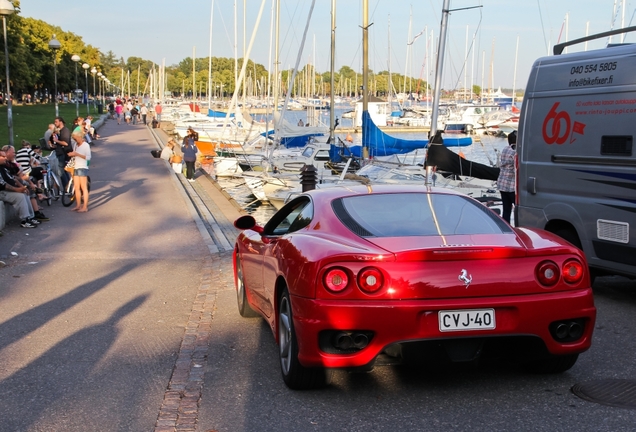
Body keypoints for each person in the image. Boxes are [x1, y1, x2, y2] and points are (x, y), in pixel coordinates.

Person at [0, 149, 40, 227]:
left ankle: (30, 217)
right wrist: (17, 190)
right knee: (20, 196)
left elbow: (12, 178)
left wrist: (22, 188)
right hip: (2, 192)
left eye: (5, 156)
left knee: (25, 193)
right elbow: (2, 184)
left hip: (7, 190)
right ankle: (24, 220)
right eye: (2, 156)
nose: (5, 158)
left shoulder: (3, 167)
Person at [68, 131, 91, 212]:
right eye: (74, 138)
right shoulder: (75, 145)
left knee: (83, 187)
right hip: (76, 166)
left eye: (76, 138)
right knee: (76, 187)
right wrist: (72, 154)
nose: (75, 140)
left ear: (80, 137)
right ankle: (78, 205)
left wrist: (77, 154)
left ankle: (85, 206)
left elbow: (88, 157)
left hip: (83, 166)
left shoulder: (86, 145)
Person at [497, 130, 517, 225]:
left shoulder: (505, 149)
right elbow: (516, 168)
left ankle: (506, 227)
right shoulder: (515, 152)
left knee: (506, 210)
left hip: (502, 184)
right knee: (517, 209)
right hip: (511, 186)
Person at [50, 116, 73, 188]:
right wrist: (55, 145)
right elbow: (60, 142)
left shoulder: (65, 130)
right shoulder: (59, 131)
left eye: (56, 122)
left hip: (64, 153)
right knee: (63, 170)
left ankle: (66, 186)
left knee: (61, 171)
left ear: (61, 122)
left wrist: (57, 141)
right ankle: (68, 186)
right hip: (60, 152)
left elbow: (65, 143)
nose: (55, 123)